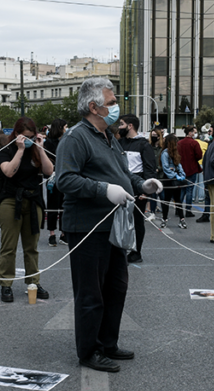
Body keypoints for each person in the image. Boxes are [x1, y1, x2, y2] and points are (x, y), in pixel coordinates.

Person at [55, 77, 162, 373]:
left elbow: (122, 174)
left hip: (114, 224)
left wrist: (143, 184)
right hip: (88, 226)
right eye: (112, 103)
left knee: (116, 286)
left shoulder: (108, 137)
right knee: (91, 292)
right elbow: (64, 179)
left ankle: (108, 342)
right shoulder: (76, 138)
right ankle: (89, 350)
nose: (116, 107)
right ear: (94, 107)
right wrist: (104, 190)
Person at [0, 116, 53, 302]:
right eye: (25, 137)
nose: (28, 140)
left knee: (31, 246)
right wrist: (19, 150)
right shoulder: (8, 149)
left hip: (33, 200)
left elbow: (49, 171)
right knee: (9, 246)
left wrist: (41, 148)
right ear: (17, 135)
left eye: (31, 136)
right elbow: (8, 171)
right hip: (11, 200)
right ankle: (6, 284)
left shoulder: (36, 149)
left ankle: (33, 282)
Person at [117, 114, 159, 261]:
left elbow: (150, 169)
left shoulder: (144, 145)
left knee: (136, 220)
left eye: (121, 124)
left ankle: (136, 251)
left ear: (130, 126)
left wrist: (146, 191)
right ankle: (120, 249)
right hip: (120, 186)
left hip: (137, 187)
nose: (119, 127)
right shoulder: (118, 143)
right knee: (120, 220)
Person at [44, 119, 67, 246]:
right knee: (53, 206)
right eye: (65, 126)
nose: (66, 129)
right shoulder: (49, 142)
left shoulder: (66, 140)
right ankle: (52, 233)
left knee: (64, 205)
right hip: (53, 177)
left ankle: (64, 233)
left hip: (64, 176)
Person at [160, 134, 188, 229]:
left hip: (175, 179)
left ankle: (182, 220)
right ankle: (164, 220)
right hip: (168, 179)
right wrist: (174, 175)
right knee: (166, 200)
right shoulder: (165, 153)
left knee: (178, 200)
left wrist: (182, 173)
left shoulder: (175, 153)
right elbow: (166, 168)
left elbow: (178, 164)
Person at [178, 125, 203, 217]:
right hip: (192, 168)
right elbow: (199, 155)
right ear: (190, 133)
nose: (195, 134)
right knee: (189, 190)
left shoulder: (179, 143)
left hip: (181, 169)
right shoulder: (194, 143)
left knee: (182, 190)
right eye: (194, 132)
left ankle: (178, 209)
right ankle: (188, 210)